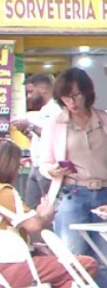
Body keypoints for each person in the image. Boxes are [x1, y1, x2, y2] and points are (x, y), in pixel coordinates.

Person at [35, 68, 107, 288]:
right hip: (72, 193)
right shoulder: (55, 124)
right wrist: (53, 169)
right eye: (66, 97)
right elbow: (44, 163)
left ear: (86, 93)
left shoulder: (106, 120)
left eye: (76, 95)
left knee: (105, 261)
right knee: (73, 259)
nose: (72, 101)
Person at [0, 141, 97, 288]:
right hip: (8, 267)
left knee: (62, 270)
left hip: (10, 264)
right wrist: (45, 215)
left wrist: (32, 247)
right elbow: (33, 225)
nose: (20, 168)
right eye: (18, 163)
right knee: (83, 265)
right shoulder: (5, 192)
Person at [9, 73, 58, 209]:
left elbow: (55, 137)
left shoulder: (56, 110)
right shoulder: (43, 110)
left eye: (30, 92)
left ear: (43, 88)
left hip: (48, 167)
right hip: (36, 165)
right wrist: (28, 132)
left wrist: (30, 126)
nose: (28, 96)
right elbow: (41, 137)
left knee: (48, 209)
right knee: (31, 208)